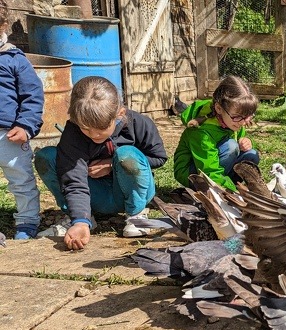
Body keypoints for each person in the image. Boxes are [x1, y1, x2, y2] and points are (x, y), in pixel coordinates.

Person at [34, 76, 168, 249]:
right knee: (47, 157)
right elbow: (73, 178)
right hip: (95, 195)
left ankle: (136, 215)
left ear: (119, 113)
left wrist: (112, 165)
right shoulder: (73, 132)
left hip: (131, 192)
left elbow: (159, 158)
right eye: (85, 129)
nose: (93, 135)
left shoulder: (139, 123)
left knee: (126, 154)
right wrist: (80, 221)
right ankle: (81, 218)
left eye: (101, 130)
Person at [0, 0, 44, 240]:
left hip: (9, 135)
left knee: (21, 179)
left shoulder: (15, 60)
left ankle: (27, 221)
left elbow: (33, 96)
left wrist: (25, 126)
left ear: (3, 26)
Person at [173, 75, 259, 192]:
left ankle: (224, 185)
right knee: (231, 146)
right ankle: (216, 189)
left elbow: (241, 136)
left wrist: (246, 142)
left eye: (247, 116)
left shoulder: (232, 119)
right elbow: (209, 170)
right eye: (238, 117)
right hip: (195, 173)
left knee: (251, 155)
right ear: (218, 108)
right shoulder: (201, 131)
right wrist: (234, 191)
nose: (243, 122)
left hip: (218, 167)